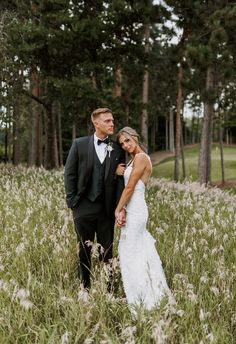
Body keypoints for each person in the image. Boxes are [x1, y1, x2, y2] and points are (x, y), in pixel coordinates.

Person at [64, 108, 125, 289]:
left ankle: (109, 288)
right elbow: (69, 174)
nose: (111, 124)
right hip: (83, 207)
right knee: (84, 250)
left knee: (107, 251)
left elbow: (120, 179)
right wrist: (72, 202)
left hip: (106, 209)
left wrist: (118, 207)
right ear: (96, 123)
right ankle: (85, 287)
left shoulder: (117, 148)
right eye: (107, 121)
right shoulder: (79, 144)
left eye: (112, 121)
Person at [115, 127, 172, 314]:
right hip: (132, 208)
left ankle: (144, 300)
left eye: (127, 141)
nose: (125, 145)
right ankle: (144, 294)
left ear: (135, 138)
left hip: (137, 210)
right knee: (136, 251)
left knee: (131, 252)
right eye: (122, 143)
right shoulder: (133, 160)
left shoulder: (141, 158)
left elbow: (130, 187)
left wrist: (118, 209)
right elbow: (127, 181)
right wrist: (119, 172)